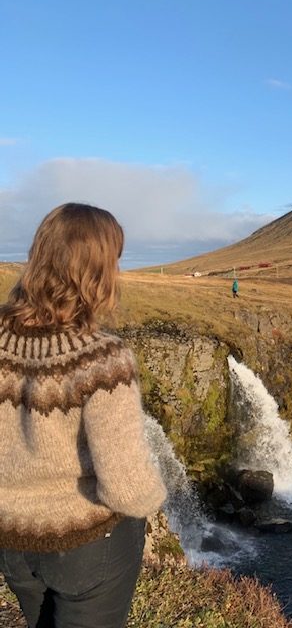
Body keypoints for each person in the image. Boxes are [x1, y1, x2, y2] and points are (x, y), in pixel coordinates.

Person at [0, 203, 167, 628]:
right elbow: (127, 488)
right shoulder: (103, 360)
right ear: (97, 272)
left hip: (12, 538)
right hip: (89, 548)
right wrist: (155, 502)